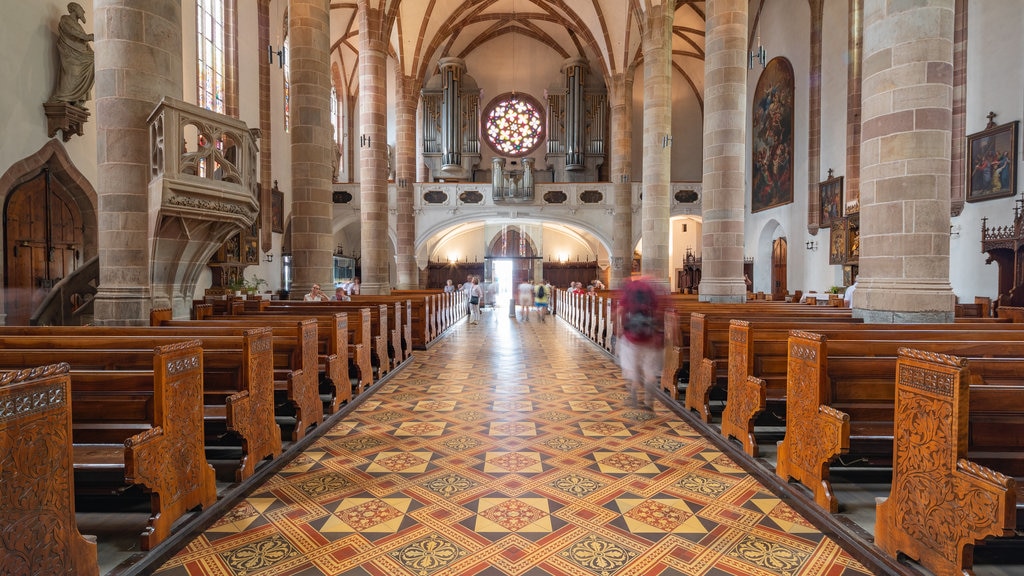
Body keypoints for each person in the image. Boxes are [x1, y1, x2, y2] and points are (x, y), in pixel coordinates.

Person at [616, 276, 666, 410]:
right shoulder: (652, 293)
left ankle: (633, 395)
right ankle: (649, 401)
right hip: (650, 337)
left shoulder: (630, 292)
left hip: (631, 337)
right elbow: (661, 312)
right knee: (650, 372)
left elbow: (620, 310)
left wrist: (619, 327)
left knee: (632, 369)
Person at [51, 2, 95, 108]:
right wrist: (87, 37)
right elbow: (71, 31)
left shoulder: (79, 25)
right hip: (71, 54)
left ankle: (79, 99)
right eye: (81, 9)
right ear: (74, 9)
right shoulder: (65, 19)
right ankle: (64, 97)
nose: (83, 12)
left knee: (93, 63)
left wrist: (91, 50)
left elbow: (83, 41)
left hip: (81, 54)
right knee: (72, 73)